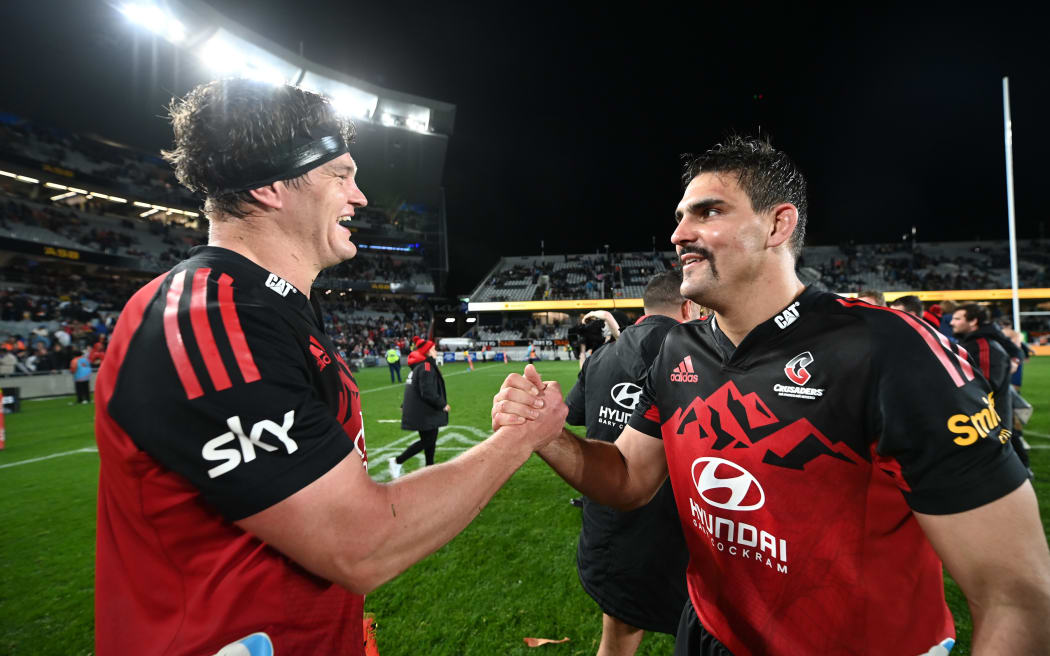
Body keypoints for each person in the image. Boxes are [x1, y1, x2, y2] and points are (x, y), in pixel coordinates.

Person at [493, 136, 1050, 655]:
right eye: (680, 216)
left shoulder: (888, 350)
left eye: (708, 212)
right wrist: (550, 438)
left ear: (779, 224)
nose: (679, 234)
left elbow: (1019, 595)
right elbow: (629, 479)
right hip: (708, 632)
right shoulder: (678, 349)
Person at [93, 78, 568, 656]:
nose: (360, 196)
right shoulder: (209, 318)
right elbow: (359, 542)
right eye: (340, 174)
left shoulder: (265, 306)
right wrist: (517, 441)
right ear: (271, 186)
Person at [567, 269, 700, 656]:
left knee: (618, 638)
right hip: (679, 534)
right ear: (688, 306)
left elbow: (575, 414)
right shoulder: (698, 357)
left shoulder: (602, 357)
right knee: (704, 636)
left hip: (609, 526)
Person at [951, 304, 1031, 478]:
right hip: (987, 419)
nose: (951, 322)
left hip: (987, 419)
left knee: (1000, 459)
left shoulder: (983, 344)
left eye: (957, 318)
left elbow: (985, 387)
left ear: (973, 322)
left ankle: (1021, 475)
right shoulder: (973, 341)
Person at [388, 337, 449, 478]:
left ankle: (430, 468)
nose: (436, 351)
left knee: (430, 440)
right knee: (428, 440)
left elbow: (414, 389)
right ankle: (397, 461)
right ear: (427, 352)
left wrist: (405, 405)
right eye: (433, 349)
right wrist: (442, 404)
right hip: (424, 411)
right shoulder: (426, 367)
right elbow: (427, 391)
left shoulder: (420, 366)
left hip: (422, 410)